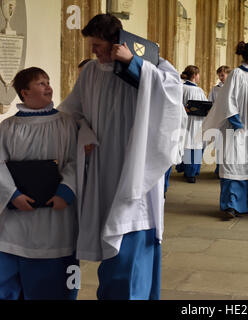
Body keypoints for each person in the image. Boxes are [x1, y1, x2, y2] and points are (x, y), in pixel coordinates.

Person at [59, 14, 185, 300]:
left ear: (117, 43)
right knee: (109, 239)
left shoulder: (152, 64)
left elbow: (173, 95)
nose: (94, 51)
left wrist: (134, 64)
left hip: (137, 167)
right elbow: (71, 112)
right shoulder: (90, 71)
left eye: (98, 45)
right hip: (102, 167)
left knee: (131, 239)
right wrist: (83, 134)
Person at [0, 67, 78, 300]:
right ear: (25, 93)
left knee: (54, 285)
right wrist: (12, 194)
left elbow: (76, 160)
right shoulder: (8, 127)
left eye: (48, 81)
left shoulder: (66, 123)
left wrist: (66, 190)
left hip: (56, 215)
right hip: (16, 219)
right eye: (41, 83)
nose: (48, 86)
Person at [202, 41, 248, 219]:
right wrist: (237, 124)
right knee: (233, 164)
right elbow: (228, 101)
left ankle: (243, 204)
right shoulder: (236, 74)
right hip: (236, 127)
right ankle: (230, 205)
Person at [175, 65, 208, 184]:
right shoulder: (197, 90)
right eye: (198, 74)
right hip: (196, 122)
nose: (199, 77)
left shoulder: (181, 88)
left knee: (187, 145)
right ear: (194, 75)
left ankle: (185, 169)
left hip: (184, 121)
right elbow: (205, 106)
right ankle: (191, 173)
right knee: (195, 147)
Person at [209, 65, 231, 178]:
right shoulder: (215, 89)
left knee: (228, 145)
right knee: (218, 145)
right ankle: (218, 167)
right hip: (218, 120)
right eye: (219, 76)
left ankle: (226, 168)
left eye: (222, 75)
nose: (221, 78)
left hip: (229, 120)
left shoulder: (232, 87)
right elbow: (210, 102)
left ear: (228, 74)